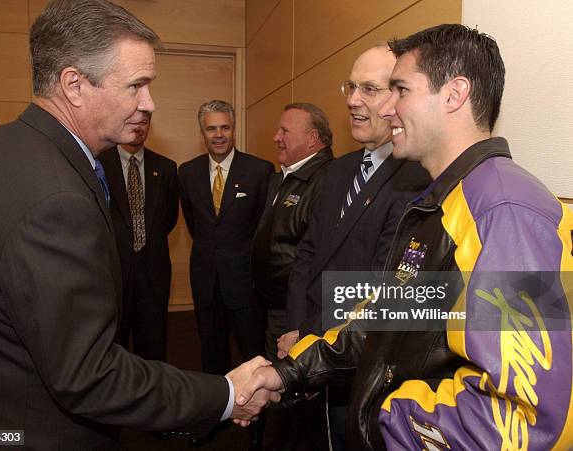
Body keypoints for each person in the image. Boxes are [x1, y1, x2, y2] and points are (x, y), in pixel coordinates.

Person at [239, 24, 573, 450]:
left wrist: (384, 416)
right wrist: (286, 372)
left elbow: (529, 414)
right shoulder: (446, 202)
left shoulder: (505, 211)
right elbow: (391, 317)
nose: (388, 108)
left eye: (401, 90)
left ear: (454, 94)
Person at [0, 1, 276, 449]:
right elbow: (88, 374)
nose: (150, 103)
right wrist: (225, 394)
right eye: (137, 85)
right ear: (73, 85)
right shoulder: (57, 200)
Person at [277, 46, 429, 450]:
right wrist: (296, 327)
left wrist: (317, 347)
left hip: (354, 358)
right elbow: (307, 253)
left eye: (369, 89)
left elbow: (382, 288)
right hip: (309, 341)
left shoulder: (416, 178)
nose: (351, 100)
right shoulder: (339, 169)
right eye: (350, 86)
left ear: (397, 98)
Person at [178, 99, 274, 447]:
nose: (219, 135)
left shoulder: (260, 171)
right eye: (211, 128)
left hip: (245, 284)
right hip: (205, 280)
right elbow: (195, 224)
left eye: (225, 127)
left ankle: (258, 425)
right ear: (201, 132)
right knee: (211, 355)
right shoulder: (186, 173)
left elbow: (264, 231)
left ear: (233, 129)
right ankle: (214, 420)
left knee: (253, 356)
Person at [252, 102, 334, 450]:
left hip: (294, 314)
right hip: (275, 307)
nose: (276, 137)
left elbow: (318, 258)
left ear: (313, 138)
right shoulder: (283, 177)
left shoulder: (325, 181)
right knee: (278, 390)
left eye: (285, 131)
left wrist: (300, 320)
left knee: (289, 395)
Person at [99, 113, 177, 362]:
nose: (139, 126)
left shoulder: (165, 167)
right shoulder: (98, 164)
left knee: (153, 349)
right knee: (112, 350)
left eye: (144, 122)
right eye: (132, 120)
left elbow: (169, 219)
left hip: (153, 273)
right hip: (113, 274)